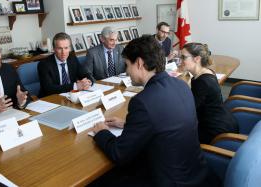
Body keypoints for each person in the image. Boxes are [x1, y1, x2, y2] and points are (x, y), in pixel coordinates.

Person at [90, 36, 220, 187]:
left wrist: (101, 132)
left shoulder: (142, 102)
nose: (126, 71)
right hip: (196, 173)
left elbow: (119, 154)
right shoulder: (181, 85)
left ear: (139, 63)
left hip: (170, 180)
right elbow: (165, 123)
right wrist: (129, 125)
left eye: (127, 65)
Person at [181, 42, 239, 144]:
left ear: (197, 59)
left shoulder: (202, 82)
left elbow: (188, 111)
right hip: (224, 120)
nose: (180, 60)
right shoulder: (206, 72)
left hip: (216, 130)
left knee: (176, 136)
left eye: (183, 57)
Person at [37, 32, 93, 97]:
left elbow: (85, 74)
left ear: (70, 48)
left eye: (66, 48)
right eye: (60, 48)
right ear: (54, 49)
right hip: (51, 99)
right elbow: (49, 89)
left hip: (70, 96)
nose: (63, 52)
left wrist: (88, 82)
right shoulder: (44, 64)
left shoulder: (72, 59)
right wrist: (75, 86)